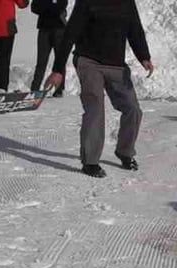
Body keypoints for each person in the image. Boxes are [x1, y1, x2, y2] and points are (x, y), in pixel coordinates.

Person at [44, 0, 154, 179]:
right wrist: (58, 70)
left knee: (133, 109)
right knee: (95, 107)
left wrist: (144, 56)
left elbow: (134, 28)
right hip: (89, 61)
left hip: (116, 64)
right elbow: (70, 33)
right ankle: (90, 161)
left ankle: (125, 152)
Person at [30, 0, 67, 96]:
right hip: (44, 29)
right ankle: (35, 89)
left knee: (59, 60)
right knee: (41, 62)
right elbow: (34, 7)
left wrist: (45, 7)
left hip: (59, 29)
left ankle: (59, 90)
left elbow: (61, 6)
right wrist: (51, 6)